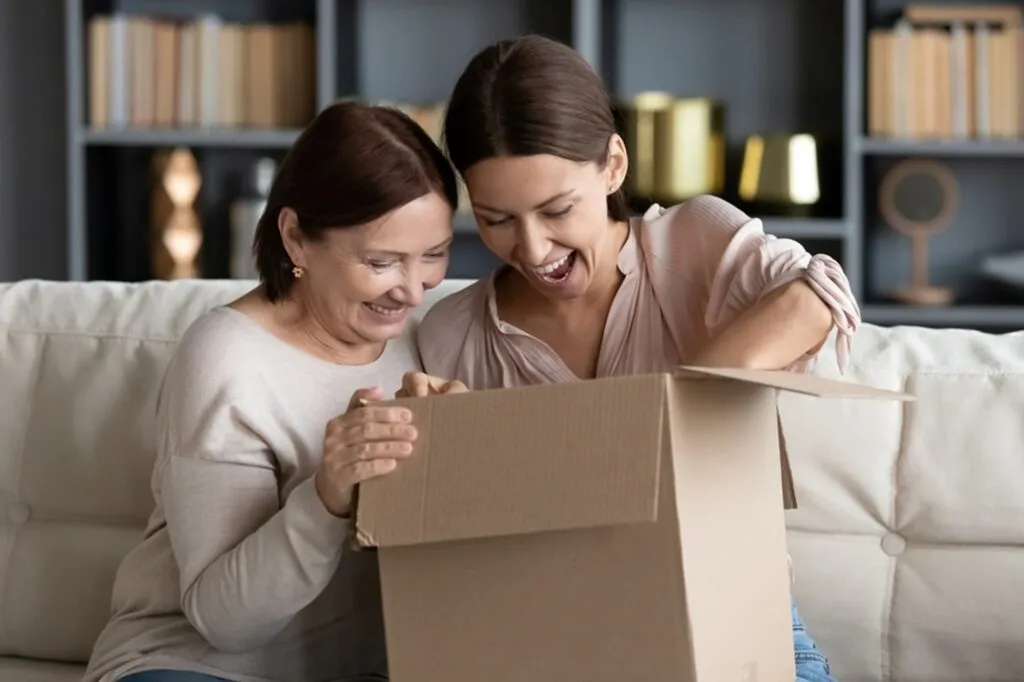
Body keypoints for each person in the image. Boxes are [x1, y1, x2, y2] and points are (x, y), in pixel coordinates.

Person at [415, 35, 859, 682]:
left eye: (557, 210)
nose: (533, 248)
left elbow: (815, 297)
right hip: (558, 644)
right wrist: (454, 452)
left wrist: (666, 412)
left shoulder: (693, 243)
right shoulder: (455, 334)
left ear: (613, 166)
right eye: (496, 219)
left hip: (738, 623)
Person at [83, 101, 465, 682]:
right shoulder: (226, 358)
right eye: (381, 261)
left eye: (434, 255)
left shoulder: (432, 332)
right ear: (296, 238)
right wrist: (328, 495)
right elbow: (223, 622)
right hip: (199, 666)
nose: (412, 291)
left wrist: (463, 447)